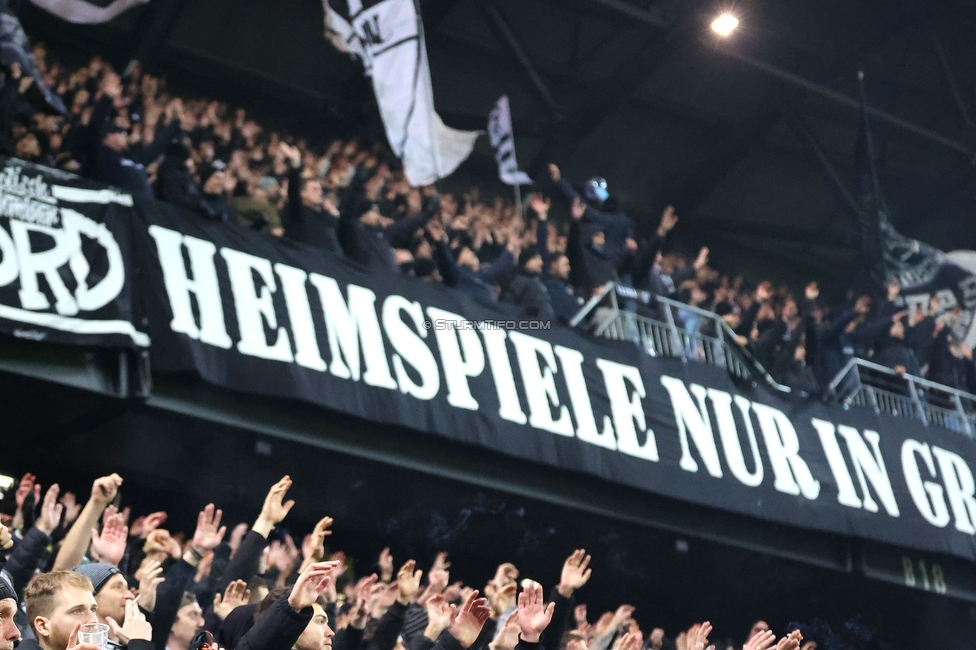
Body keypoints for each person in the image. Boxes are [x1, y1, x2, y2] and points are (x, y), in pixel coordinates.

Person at [280, 143, 342, 255]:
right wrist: (295, 164)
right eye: (314, 189)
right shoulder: (296, 212)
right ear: (303, 194)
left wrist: (334, 217)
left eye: (320, 189)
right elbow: (293, 193)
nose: (320, 192)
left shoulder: (323, 216)